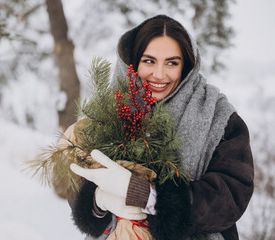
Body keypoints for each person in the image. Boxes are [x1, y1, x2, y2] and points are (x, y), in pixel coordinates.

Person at [66, 15, 254, 240]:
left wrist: (150, 197)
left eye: (172, 63)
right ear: (134, 62)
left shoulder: (218, 116)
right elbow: (75, 182)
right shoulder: (109, 109)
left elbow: (232, 195)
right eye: (149, 61)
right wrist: (97, 201)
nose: (159, 74)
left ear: (186, 66)